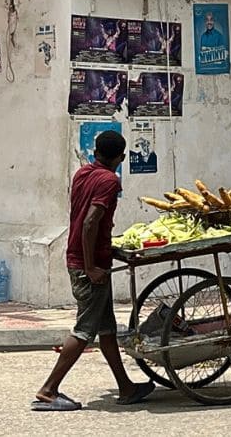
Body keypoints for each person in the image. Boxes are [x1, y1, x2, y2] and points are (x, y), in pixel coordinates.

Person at [33, 131, 154, 411]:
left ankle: (126, 387)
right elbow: (90, 222)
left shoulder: (83, 174)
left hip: (85, 257)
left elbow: (88, 220)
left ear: (95, 152)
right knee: (85, 330)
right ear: (121, 157)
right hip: (89, 266)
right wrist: (91, 267)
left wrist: (105, 248)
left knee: (106, 329)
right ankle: (49, 389)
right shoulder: (109, 180)